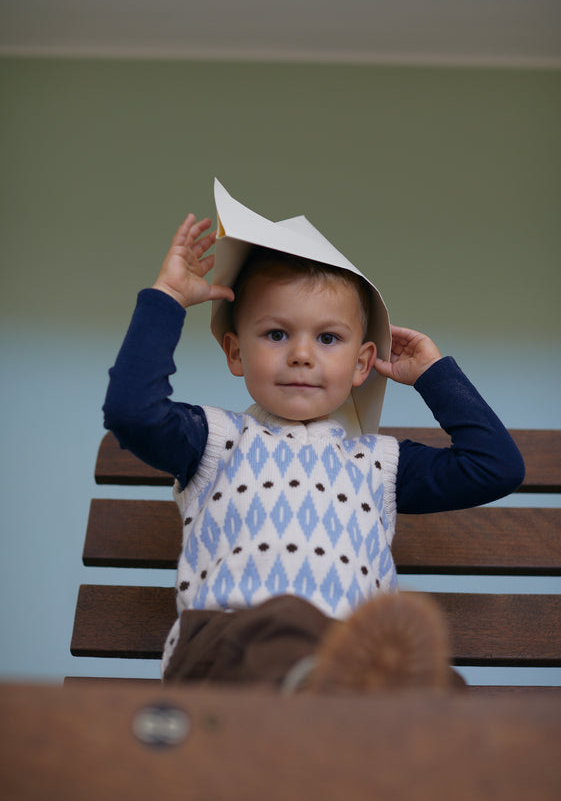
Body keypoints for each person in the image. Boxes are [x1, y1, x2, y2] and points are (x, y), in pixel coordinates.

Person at [103, 189, 525, 693]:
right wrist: (168, 299)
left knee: (436, 681)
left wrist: (434, 375)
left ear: (362, 364)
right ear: (235, 353)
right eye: (277, 334)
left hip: (353, 659)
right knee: (285, 620)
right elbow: (131, 412)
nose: (302, 354)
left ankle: (364, 710)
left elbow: (496, 467)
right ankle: (316, 691)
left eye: (328, 339)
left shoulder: (381, 465)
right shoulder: (213, 442)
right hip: (227, 650)